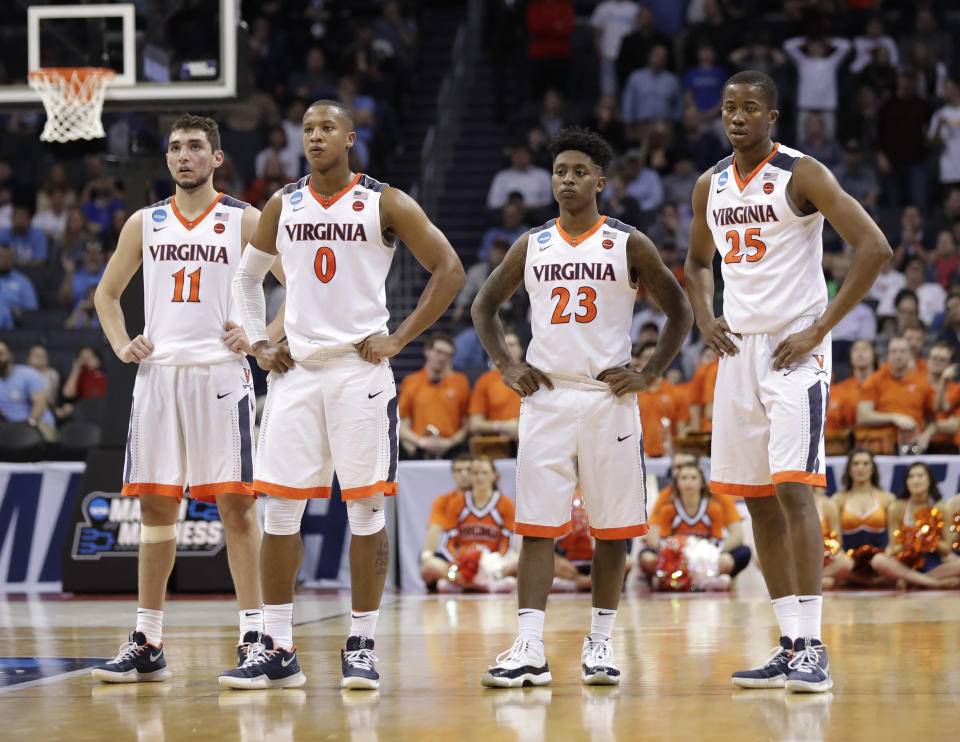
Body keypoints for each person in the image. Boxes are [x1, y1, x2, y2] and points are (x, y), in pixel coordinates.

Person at [225, 99, 464, 691]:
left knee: (365, 511)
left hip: (359, 374)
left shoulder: (384, 200)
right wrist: (259, 343)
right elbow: (247, 279)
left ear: (351, 137)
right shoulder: (283, 202)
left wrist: (400, 338)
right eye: (307, 128)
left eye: (327, 127)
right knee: (278, 511)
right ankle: (277, 647)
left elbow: (449, 268)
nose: (315, 136)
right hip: (297, 375)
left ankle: (361, 643)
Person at [685, 70, 892, 693]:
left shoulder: (801, 174)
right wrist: (703, 314)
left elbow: (873, 247)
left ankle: (815, 648)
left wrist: (820, 328)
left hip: (794, 351)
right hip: (738, 351)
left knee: (796, 492)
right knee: (756, 501)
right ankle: (788, 642)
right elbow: (696, 262)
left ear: (773, 115)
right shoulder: (709, 184)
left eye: (750, 107)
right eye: (729, 108)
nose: (737, 117)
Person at [472, 126, 692, 687]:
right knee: (537, 527)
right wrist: (506, 364)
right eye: (559, 172)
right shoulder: (533, 243)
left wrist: (649, 373)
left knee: (612, 530)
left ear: (600, 180)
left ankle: (601, 643)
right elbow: (484, 306)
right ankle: (528, 646)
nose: (566, 181)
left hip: (605, 396)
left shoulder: (628, 242)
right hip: (546, 396)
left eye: (577, 172)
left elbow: (681, 312)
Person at [90, 114, 282, 685]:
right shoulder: (143, 224)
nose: (183, 156)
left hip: (221, 375)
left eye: (196, 147)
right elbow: (105, 293)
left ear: (216, 158)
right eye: (175, 148)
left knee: (236, 507)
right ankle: (148, 639)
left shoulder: (244, 219)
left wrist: (261, 337)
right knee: (155, 508)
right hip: (158, 377)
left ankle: (254, 634)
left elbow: (299, 288)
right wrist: (123, 342)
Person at [639, 463, 750, 589]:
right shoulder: (668, 508)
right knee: (647, 558)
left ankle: (696, 581)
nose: (689, 483)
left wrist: (700, 553)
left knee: (727, 559)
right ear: (676, 482)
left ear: (701, 482)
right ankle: (675, 579)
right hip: (675, 557)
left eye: (693, 478)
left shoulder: (714, 508)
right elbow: (662, 541)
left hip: (704, 559)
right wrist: (680, 553)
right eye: (684, 478)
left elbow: (716, 540)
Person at [419, 455, 518, 593]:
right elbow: (447, 543)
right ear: (470, 477)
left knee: (518, 561)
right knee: (429, 565)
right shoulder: (457, 503)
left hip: (493, 562)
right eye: (475, 473)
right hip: (464, 563)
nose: (479, 478)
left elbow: (509, 542)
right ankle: (489, 585)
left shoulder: (505, 503)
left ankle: (460, 585)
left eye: (484, 473)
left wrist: (495, 561)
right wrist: (460, 561)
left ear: (494, 476)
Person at [870, 462, 960, 589]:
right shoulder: (896, 508)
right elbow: (893, 546)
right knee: (878, 560)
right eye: (911, 477)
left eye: (920, 476)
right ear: (906, 482)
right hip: (905, 561)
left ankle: (911, 581)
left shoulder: (941, 508)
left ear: (929, 480)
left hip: (933, 560)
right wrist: (909, 541)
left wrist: (930, 540)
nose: (915, 480)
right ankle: (935, 583)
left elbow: (946, 549)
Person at [398, 332, 471, 459]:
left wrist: (451, 442)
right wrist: (421, 442)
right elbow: (402, 424)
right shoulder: (411, 382)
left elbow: (467, 424)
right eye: (439, 352)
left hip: (452, 450)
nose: (442, 358)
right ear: (427, 351)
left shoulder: (460, 382)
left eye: (448, 355)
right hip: (420, 449)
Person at [831, 449, 893, 586]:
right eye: (856, 464)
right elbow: (836, 543)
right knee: (841, 565)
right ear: (849, 469)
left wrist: (886, 559)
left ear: (873, 468)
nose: (861, 468)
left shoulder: (887, 498)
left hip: (879, 564)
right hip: (849, 566)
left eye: (865, 464)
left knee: (884, 561)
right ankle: (872, 582)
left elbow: (893, 541)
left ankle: (874, 579)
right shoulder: (838, 500)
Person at [469, 332, 523, 443]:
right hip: (497, 445)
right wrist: (502, 426)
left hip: (528, 442)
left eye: (512, 344)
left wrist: (522, 427)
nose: (507, 349)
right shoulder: (485, 381)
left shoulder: (532, 378)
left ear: (520, 349)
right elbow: (475, 424)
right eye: (504, 345)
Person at [0, 340, 56, 440]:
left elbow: (40, 405)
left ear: (9, 355)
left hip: (37, 423)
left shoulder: (29, 374)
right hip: (7, 425)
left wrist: (28, 425)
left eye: (1, 354)